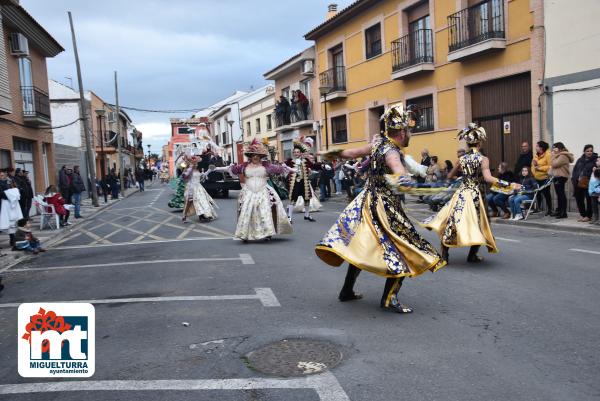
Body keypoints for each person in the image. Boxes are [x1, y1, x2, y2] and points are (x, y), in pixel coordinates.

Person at [316, 105, 446, 314]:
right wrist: (405, 180)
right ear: (402, 132)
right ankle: (389, 298)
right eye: (408, 132)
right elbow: (397, 169)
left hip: (366, 202)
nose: (409, 135)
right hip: (385, 207)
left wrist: (327, 154)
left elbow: (350, 153)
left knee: (359, 245)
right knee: (403, 247)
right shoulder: (392, 151)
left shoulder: (377, 145)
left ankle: (347, 290)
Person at [423, 123, 520, 263]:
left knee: (453, 222)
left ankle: (444, 254)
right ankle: (472, 255)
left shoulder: (461, 159)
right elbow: (488, 178)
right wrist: (510, 184)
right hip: (476, 195)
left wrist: (463, 177)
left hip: (462, 194)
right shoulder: (483, 159)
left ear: (468, 144)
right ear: (479, 143)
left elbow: (450, 175)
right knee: (479, 224)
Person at [216, 139, 292, 242]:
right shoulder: (244, 166)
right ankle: (245, 233)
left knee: (265, 210)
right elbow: (232, 169)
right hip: (248, 191)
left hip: (263, 191)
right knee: (246, 212)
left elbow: (280, 170)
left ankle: (267, 233)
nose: (255, 157)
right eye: (253, 155)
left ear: (260, 156)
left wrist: (284, 167)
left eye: (257, 155)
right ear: (250, 156)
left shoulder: (267, 165)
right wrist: (220, 168)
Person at [285, 137, 317, 223]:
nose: (296, 153)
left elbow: (313, 166)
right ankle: (289, 217)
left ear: (300, 153)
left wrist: (321, 166)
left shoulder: (305, 160)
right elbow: (283, 168)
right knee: (293, 200)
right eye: (295, 152)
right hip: (294, 183)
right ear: (293, 153)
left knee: (307, 199)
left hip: (304, 182)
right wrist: (285, 167)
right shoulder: (290, 161)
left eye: (298, 152)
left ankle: (307, 215)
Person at [571, 144, 597, 222]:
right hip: (578, 183)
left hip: (588, 182)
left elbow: (596, 172)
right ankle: (583, 214)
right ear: (584, 151)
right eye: (587, 151)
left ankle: (589, 216)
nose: (589, 152)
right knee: (579, 199)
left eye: (591, 151)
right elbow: (575, 170)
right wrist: (574, 178)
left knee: (589, 200)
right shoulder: (580, 160)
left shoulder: (595, 160)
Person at [549, 142, 574, 219]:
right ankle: (559, 211)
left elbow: (554, 164)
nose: (553, 149)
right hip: (557, 176)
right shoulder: (559, 155)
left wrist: (553, 155)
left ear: (559, 148)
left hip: (561, 177)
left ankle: (563, 213)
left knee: (561, 195)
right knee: (559, 195)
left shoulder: (563, 156)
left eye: (555, 148)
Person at [0, 170, 23, 248]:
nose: (2, 177)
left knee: (12, 223)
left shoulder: (9, 182)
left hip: (11, 204)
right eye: (1, 175)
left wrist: (13, 193)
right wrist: (10, 194)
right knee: (4, 223)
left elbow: (16, 189)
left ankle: (13, 239)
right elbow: (2, 194)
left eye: (3, 175)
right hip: (4, 204)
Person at [531, 141, 552, 215]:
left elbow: (550, 166)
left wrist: (539, 168)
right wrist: (534, 173)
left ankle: (549, 210)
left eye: (537, 146)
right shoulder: (536, 155)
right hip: (536, 178)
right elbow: (533, 166)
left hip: (545, 178)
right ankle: (538, 208)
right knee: (537, 194)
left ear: (541, 147)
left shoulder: (548, 155)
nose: (535, 147)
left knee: (547, 194)